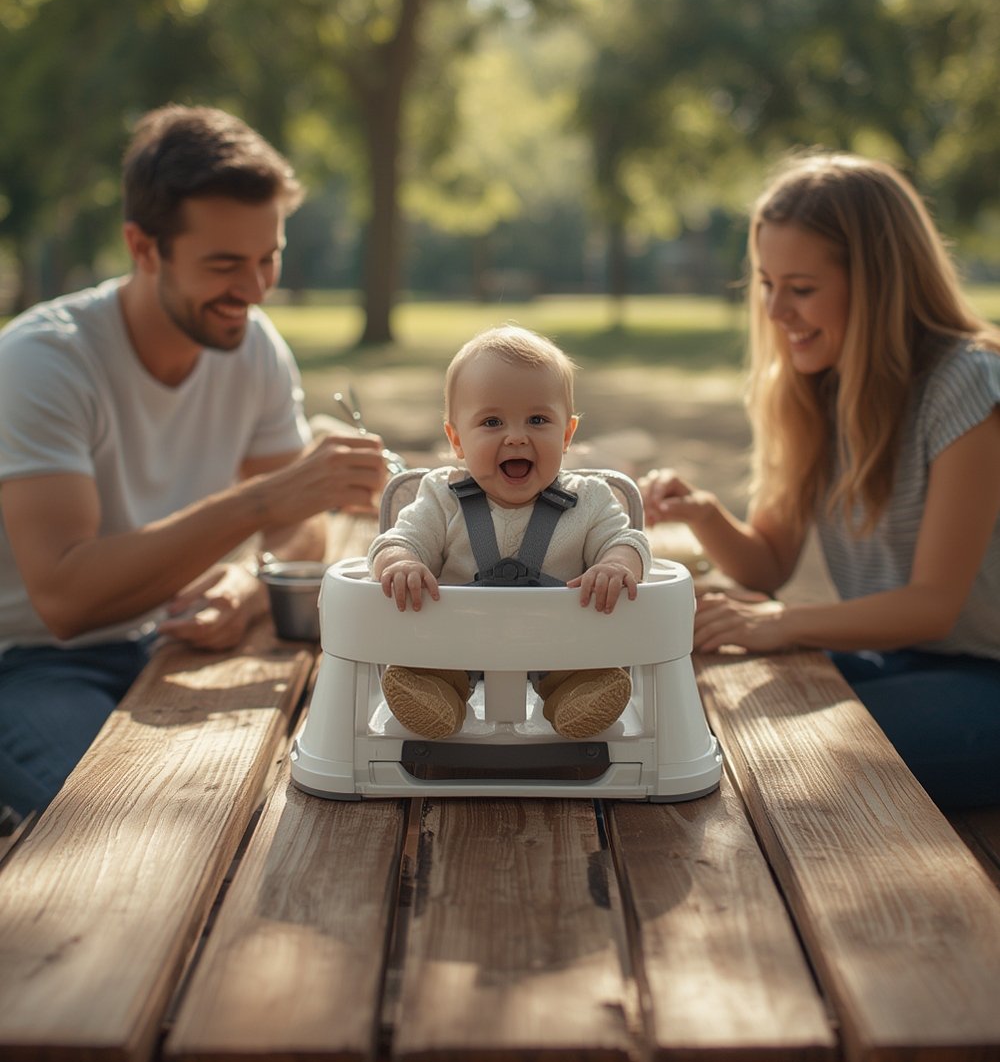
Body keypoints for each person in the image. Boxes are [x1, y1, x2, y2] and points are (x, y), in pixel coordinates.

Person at [0, 103, 388, 827]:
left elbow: (298, 536)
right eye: (223, 265)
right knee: (139, 824)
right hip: (30, 664)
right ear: (142, 247)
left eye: (267, 257)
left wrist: (247, 583)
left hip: (171, 640)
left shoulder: (252, 344)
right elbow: (64, 599)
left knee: (324, 781)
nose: (255, 289)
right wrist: (261, 505)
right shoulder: (43, 362)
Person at [642, 150, 1000, 809]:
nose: (777, 310)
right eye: (765, 283)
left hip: (985, 677)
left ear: (878, 286)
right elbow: (768, 562)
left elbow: (933, 605)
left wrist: (782, 621)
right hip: (906, 660)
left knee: (776, 755)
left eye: (801, 288)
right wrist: (704, 515)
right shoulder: (811, 387)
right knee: (713, 702)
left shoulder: (968, 383)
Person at [368, 325, 651, 740]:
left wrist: (615, 565)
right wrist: (400, 563)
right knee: (424, 665)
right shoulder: (442, 497)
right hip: (454, 646)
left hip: (562, 647)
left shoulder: (590, 499)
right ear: (457, 439)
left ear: (567, 434)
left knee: (589, 669)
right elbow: (397, 540)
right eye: (492, 421)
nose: (516, 436)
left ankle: (577, 698)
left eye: (538, 420)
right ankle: (433, 697)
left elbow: (627, 541)